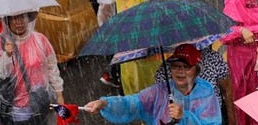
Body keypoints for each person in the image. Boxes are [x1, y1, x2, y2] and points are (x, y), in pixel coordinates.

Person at [84, 45, 223, 125]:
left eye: (185, 67)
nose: (180, 72)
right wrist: (104, 103)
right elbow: (133, 103)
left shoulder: (206, 92)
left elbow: (212, 123)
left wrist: (184, 117)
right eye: (175, 66)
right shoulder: (160, 90)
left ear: (196, 69)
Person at [0, 12, 65, 125]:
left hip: (40, 101)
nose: (19, 22)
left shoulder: (40, 40)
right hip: (14, 108)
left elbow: (52, 69)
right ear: (7, 21)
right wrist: (6, 55)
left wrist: (59, 95)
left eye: (22, 17)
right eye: (14, 18)